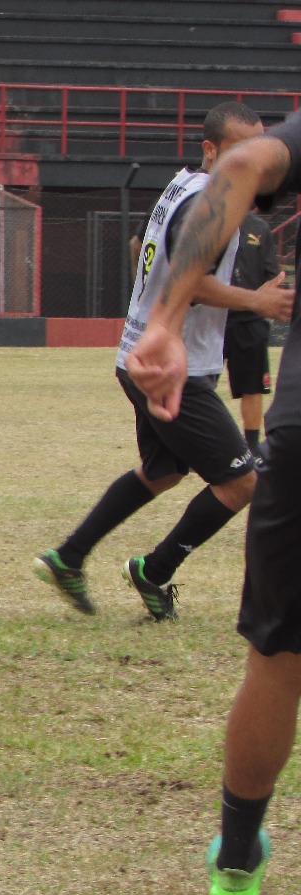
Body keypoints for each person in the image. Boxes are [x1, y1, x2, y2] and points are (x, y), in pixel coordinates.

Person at [126, 108, 301, 895]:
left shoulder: (225, 168)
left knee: (280, 656)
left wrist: (160, 320)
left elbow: (239, 173)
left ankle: (236, 859)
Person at [34, 102, 292, 621]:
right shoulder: (211, 204)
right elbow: (190, 281)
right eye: (241, 150)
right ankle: (155, 569)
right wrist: (257, 301)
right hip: (174, 368)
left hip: (139, 354)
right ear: (211, 150)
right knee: (243, 482)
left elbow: (146, 251)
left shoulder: (179, 185)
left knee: (163, 471)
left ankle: (70, 556)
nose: (254, 163)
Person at [223, 210, 281, 464]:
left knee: (253, 387)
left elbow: (273, 276)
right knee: (197, 383)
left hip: (250, 321)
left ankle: (252, 448)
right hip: (213, 318)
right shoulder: (212, 223)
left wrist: (257, 302)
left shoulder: (259, 229)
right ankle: (193, 444)